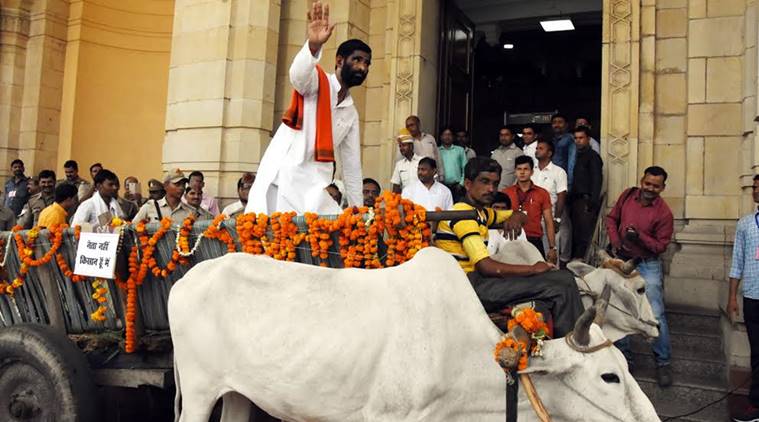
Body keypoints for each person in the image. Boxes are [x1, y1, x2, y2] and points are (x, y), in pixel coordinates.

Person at [434, 157, 583, 337]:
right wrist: (533, 269)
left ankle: (572, 335)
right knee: (560, 285)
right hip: (468, 286)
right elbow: (486, 267)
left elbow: (522, 215)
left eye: (495, 183)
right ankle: (573, 341)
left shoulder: (481, 212)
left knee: (564, 277)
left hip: (479, 280)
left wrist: (514, 216)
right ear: (467, 184)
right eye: (484, 182)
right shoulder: (463, 214)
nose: (491, 189)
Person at [247, 1, 369, 215]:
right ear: (339, 61)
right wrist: (313, 46)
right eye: (357, 60)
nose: (362, 67)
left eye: (367, 63)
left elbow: (351, 166)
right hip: (283, 179)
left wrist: (358, 211)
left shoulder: (351, 112)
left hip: (313, 188)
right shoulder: (316, 83)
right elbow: (298, 76)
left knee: (334, 234)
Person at [608, 166, 674, 387]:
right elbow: (611, 219)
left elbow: (660, 246)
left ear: (662, 188)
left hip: (648, 264)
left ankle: (663, 362)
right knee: (620, 308)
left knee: (655, 313)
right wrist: (617, 242)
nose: (650, 189)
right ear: (642, 181)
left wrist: (640, 237)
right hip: (622, 260)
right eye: (648, 184)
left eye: (656, 186)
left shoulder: (664, 213)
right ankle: (624, 357)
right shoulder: (627, 195)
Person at [729, 175, 759, 422]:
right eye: (755, 188)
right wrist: (732, 297)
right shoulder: (746, 223)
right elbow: (736, 263)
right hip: (752, 297)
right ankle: (755, 404)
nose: (756, 192)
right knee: (757, 353)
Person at [503, 156, 556, 262]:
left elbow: (549, 222)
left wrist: (552, 248)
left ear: (532, 172)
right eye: (519, 169)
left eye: (526, 169)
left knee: (538, 275)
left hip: (534, 240)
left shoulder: (542, 193)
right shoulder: (506, 193)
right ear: (515, 172)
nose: (522, 172)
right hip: (512, 239)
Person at [532, 139, 570, 266]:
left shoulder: (558, 172)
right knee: (534, 256)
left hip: (549, 218)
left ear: (549, 153)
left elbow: (561, 196)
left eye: (541, 148)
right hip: (532, 220)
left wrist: (557, 219)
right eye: (537, 148)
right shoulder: (531, 171)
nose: (537, 150)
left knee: (551, 255)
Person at [570, 126, 602, 260]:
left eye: (581, 138)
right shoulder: (576, 155)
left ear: (588, 139)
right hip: (575, 200)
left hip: (586, 201)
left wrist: (592, 202)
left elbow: (597, 179)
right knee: (576, 234)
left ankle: (582, 264)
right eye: (576, 138)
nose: (578, 141)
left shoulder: (592, 156)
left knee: (584, 236)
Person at [398, 115, 444, 181]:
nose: (410, 128)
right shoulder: (406, 142)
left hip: (433, 176)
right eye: (407, 126)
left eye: (412, 125)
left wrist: (441, 176)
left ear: (418, 125)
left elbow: (437, 157)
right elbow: (400, 159)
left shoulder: (430, 138)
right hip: (417, 176)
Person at [487, 192, 527, 256]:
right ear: (489, 209)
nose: (500, 211)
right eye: (496, 207)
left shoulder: (516, 227)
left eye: (503, 208)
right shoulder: (482, 227)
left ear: (508, 210)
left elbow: (524, 253)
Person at [438, 128, 467, 200]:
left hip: (457, 187)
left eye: (449, 134)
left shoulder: (460, 150)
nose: (447, 137)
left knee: (457, 208)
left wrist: (461, 184)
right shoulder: (437, 151)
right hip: (441, 186)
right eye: (445, 134)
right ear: (441, 137)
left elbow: (465, 168)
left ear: (453, 137)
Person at [550, 114, 576, 188]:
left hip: (564, 180)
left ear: (566, 125)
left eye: (560, 122)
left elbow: (572, 162)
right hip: (553, 179)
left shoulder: (569, 139)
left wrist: (569, 183)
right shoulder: (553, 140)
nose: (557, 125)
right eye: (554, 122)